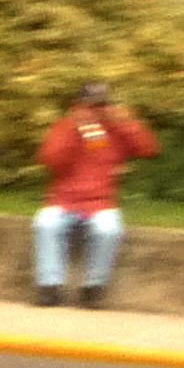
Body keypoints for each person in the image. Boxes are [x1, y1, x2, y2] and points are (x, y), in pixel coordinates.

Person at [32, 78, 157, 307]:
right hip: (63, 201)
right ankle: (48, 287)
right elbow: (51, 161)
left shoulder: (117, 130)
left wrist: (126, 121)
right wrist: (74, 129)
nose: (96, 111)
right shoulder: (64, 127)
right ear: (78, 105)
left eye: (101, 105)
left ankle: (93, 288)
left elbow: (147, 148)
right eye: (91, 106)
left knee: (108, 229)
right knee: (45, 223)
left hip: (101, 202)